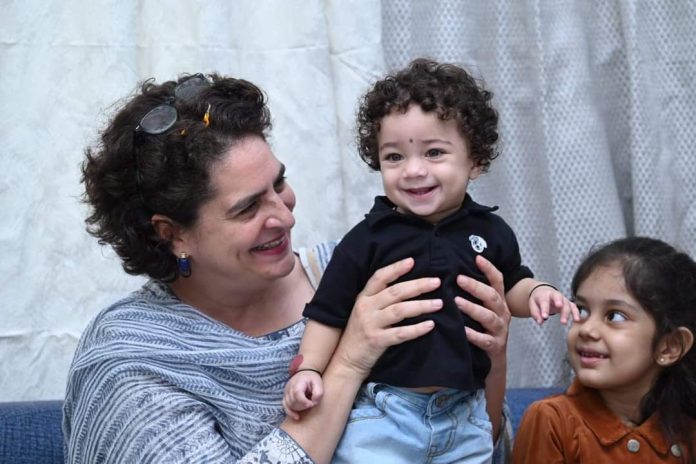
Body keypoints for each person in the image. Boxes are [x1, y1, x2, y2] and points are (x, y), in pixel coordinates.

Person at [63, 71, 514, 464]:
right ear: (172, 233)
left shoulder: (360, 272)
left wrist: (493, 358)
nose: (285, 216)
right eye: (247, 208)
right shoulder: (131, 360)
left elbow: (478, 443)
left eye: (278, 183)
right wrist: (349, 361)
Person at [283, 58, 578, 463]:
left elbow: (512, 286)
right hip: (384, 413)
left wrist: (539, 292)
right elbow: (328, 313)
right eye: (394, 157)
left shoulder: (491, 231)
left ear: (476, 160)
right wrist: (308, 370)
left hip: (465, 413)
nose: (413, 170)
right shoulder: (367, 239)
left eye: (434, 152)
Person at [513, 237, 696, 463]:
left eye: (614, 316)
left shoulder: (687, 429)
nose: (587, 329)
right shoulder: (552, 421)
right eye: (582, 310)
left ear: (670, 347)